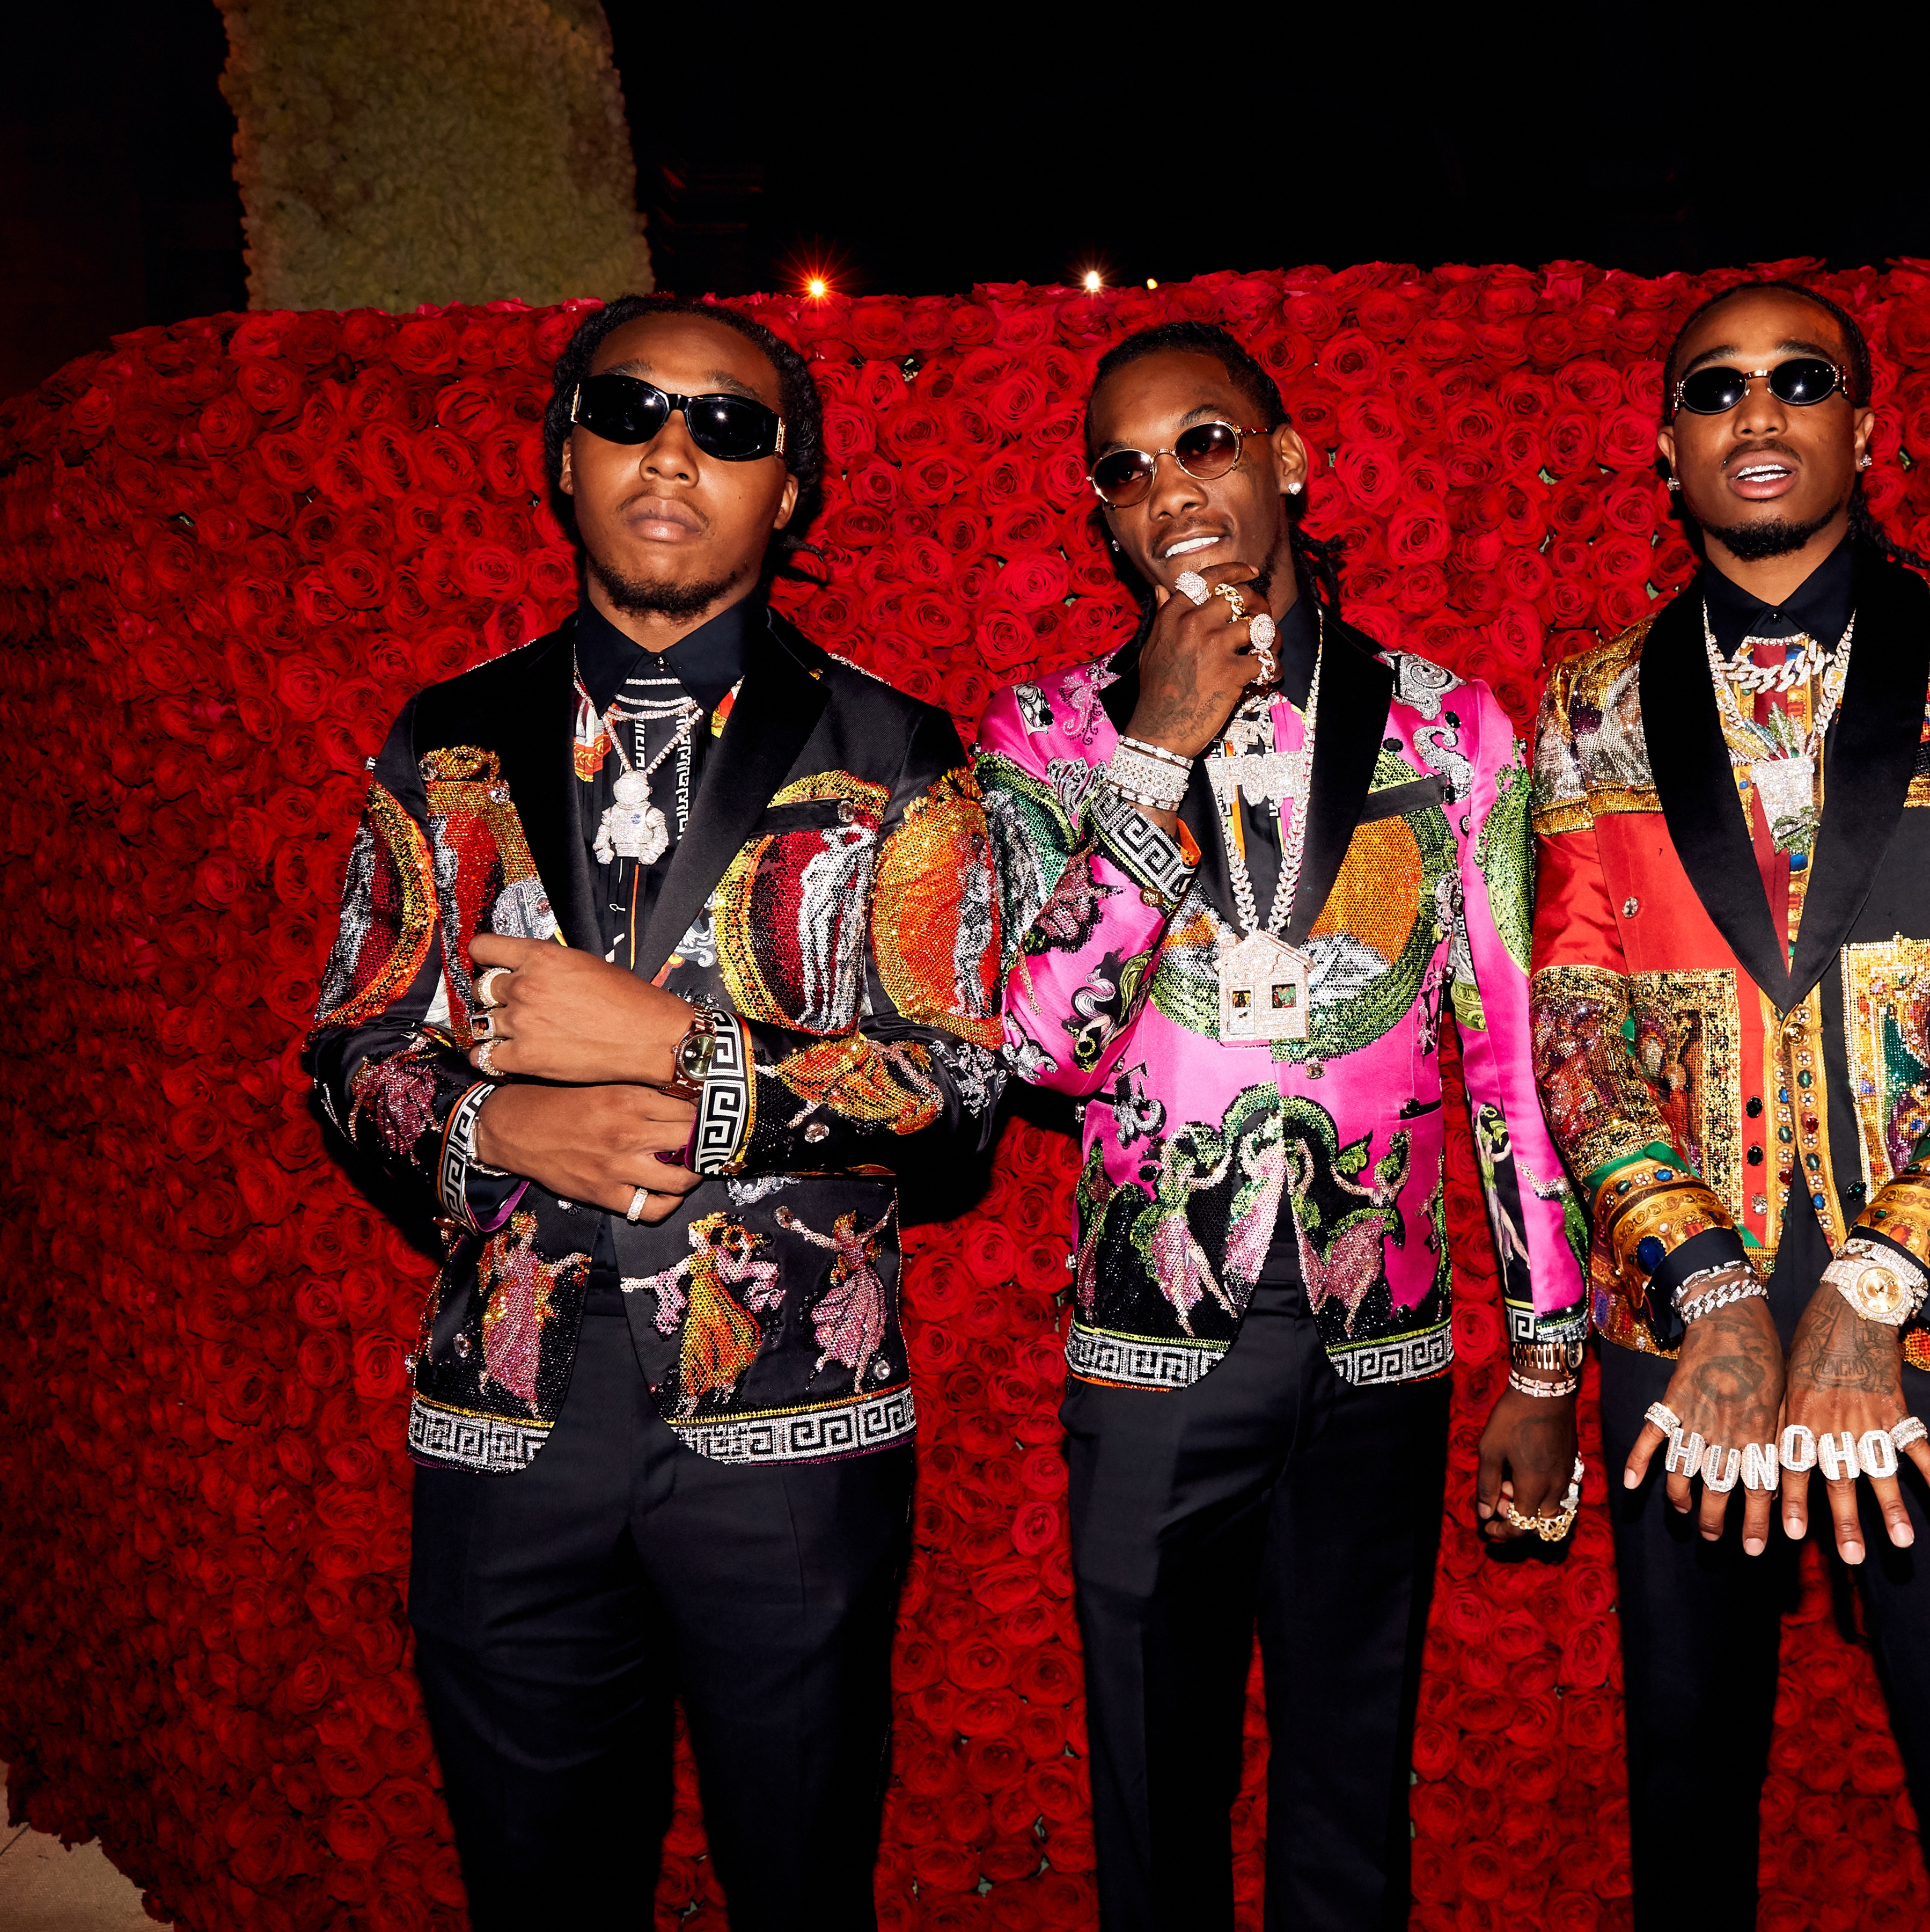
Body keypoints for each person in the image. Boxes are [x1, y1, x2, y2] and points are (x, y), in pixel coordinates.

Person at [305, 293, 1006, 1930]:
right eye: (630, 411)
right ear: (567, 457)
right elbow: (352, 1046)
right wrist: (493, 1134)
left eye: (732, 425)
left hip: (790, 1430)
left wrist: (687, 1055)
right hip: (506, 1418)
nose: (674, 451)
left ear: (789, 492)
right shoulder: (446, 739)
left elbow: (963, 1086)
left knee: (799, 1880)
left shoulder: (897, 749)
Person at [976, 321, 1587, 1931]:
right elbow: (1041, 1040)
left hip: (1379, 1335)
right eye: (1124, 467)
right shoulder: (1045, 735)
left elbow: (1512, 1058)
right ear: (1102, 518)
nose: (1167, 486)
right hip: (1146, 1334)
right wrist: (1151, 754)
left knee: (1345, 1793)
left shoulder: (1454, 731)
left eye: (1204, 441)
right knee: (1154, 1807)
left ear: (1289, 458)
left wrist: (1544, 1356)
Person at [1527, 281, 1930, 1929]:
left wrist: (1878, 1286)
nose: (1758, 413)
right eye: (1716, 390)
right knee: (1688, 1813)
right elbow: (1574, 1030)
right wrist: (1708, 1285)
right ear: (1666, 445)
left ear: (1864, 423)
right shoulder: (1585, 701)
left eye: (1801, 381)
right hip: (1683, 1334)